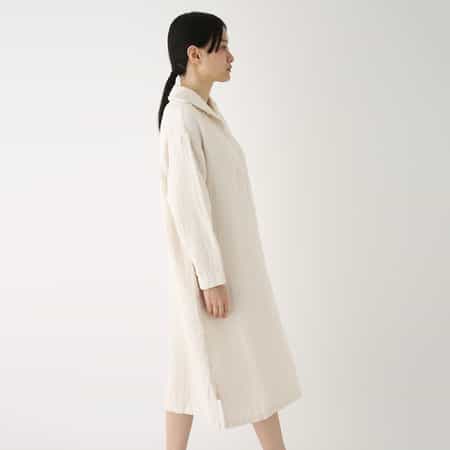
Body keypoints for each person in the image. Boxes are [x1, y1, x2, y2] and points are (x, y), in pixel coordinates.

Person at [158, 11, 302, 450]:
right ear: (194, 55)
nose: (231, 56)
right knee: (244, 364)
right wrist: (211, 277)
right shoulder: (182, 120)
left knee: (194, 367)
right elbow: (188, 206)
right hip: (216, 274)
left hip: (231, 266)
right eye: (221, 47)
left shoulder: (202, 115)